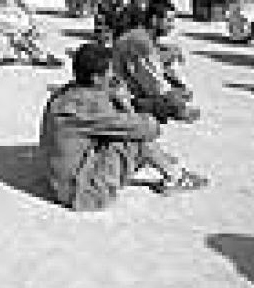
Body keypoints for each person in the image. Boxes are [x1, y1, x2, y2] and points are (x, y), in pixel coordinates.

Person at [40, 43, 208, 211]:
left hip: (59, 183)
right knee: (135, 138)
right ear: (96, 78)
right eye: (109, 71)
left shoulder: (67, 93)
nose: (113, 75)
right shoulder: (90, 106)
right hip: (83, 194)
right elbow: (148, 129)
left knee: (123, 130)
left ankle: (160, 161)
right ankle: (176, 176)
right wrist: (126, 103)